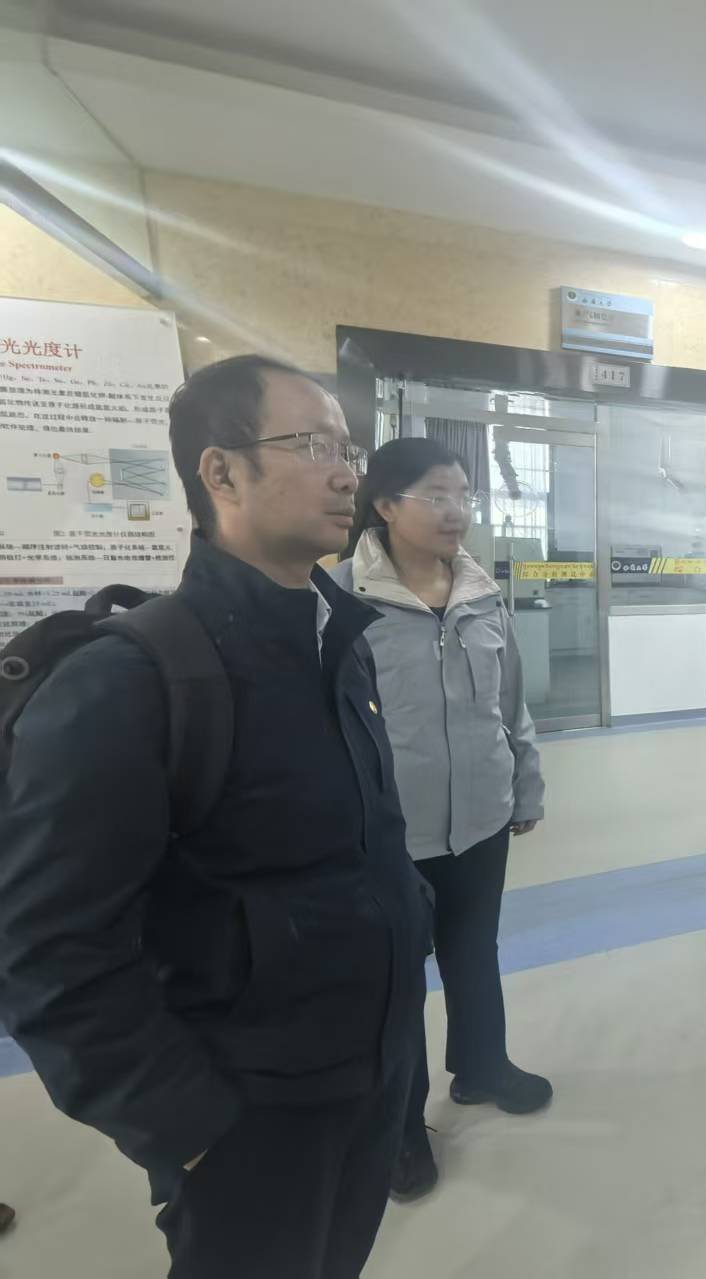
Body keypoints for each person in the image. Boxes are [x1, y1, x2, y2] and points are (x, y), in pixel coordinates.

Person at [0, 355, 432, 1277]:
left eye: (349, 449)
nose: (348, 475)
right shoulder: (131, 681)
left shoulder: (338, 641)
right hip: (248, 1117)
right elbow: (48, 951)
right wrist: (188, 1128)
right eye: (315, 445)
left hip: (369, 1071)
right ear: (221, 472)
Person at [330, 439, 549, 1202]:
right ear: (386, 505)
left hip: (481, 814)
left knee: (473, 948)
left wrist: (524, 785)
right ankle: (398, 1126)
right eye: (437, 495)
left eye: (464, 495)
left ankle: (483, 1066)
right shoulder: (337, 599)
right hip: (388, 830)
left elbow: (511, 700)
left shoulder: (482, 591)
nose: (457, 511)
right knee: (393, 983)